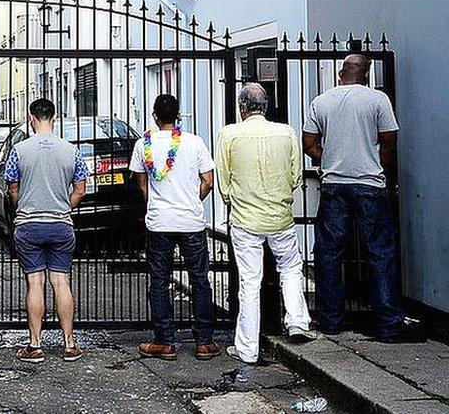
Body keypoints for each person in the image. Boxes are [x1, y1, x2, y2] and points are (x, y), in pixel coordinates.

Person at [302, 54, 421, 343]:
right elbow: (389, 142)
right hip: (370, 183)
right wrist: (380, 170)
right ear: (366, 74)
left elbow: (308, 143)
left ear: (340, 73)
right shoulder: (378, 100)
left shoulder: (322, 101)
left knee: (329, 253)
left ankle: (330, 319)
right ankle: (388, 323)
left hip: (334, 184)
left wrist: (327, 160)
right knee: (380, 253)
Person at [216, 84, 316, 364]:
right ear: (266, 105)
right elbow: (296, 176)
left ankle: (247, 349)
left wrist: (232, 200)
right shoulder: (286, 132)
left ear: (242, 107)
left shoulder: (229, 134)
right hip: (280, 216)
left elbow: (223, 180)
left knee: (249, 282)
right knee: (291, 268)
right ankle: (297, 321)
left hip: (245, 218)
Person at [130, 94, 220, 361]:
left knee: (159, 280)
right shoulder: (194, 142)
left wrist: (154, 202)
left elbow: (141, 181)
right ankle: (204, 341)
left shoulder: (144, 144)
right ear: (178, 115)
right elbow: (208, 180)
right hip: (191, 221)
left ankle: (165, 341)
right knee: (199, 279)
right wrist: (192, 200)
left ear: (155, 116)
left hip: (159, 222)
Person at [3, 98, 88, 363]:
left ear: (31, 118)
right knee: (61, 281)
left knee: (35, 282)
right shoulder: (71, 150)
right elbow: (80, 190)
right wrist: (65, 205)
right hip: (61, 223)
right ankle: (69, 344)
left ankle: (35, 345)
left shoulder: (19, 150)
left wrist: (22, 207)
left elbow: (12, 189)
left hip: (29, 224)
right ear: (55, 118)